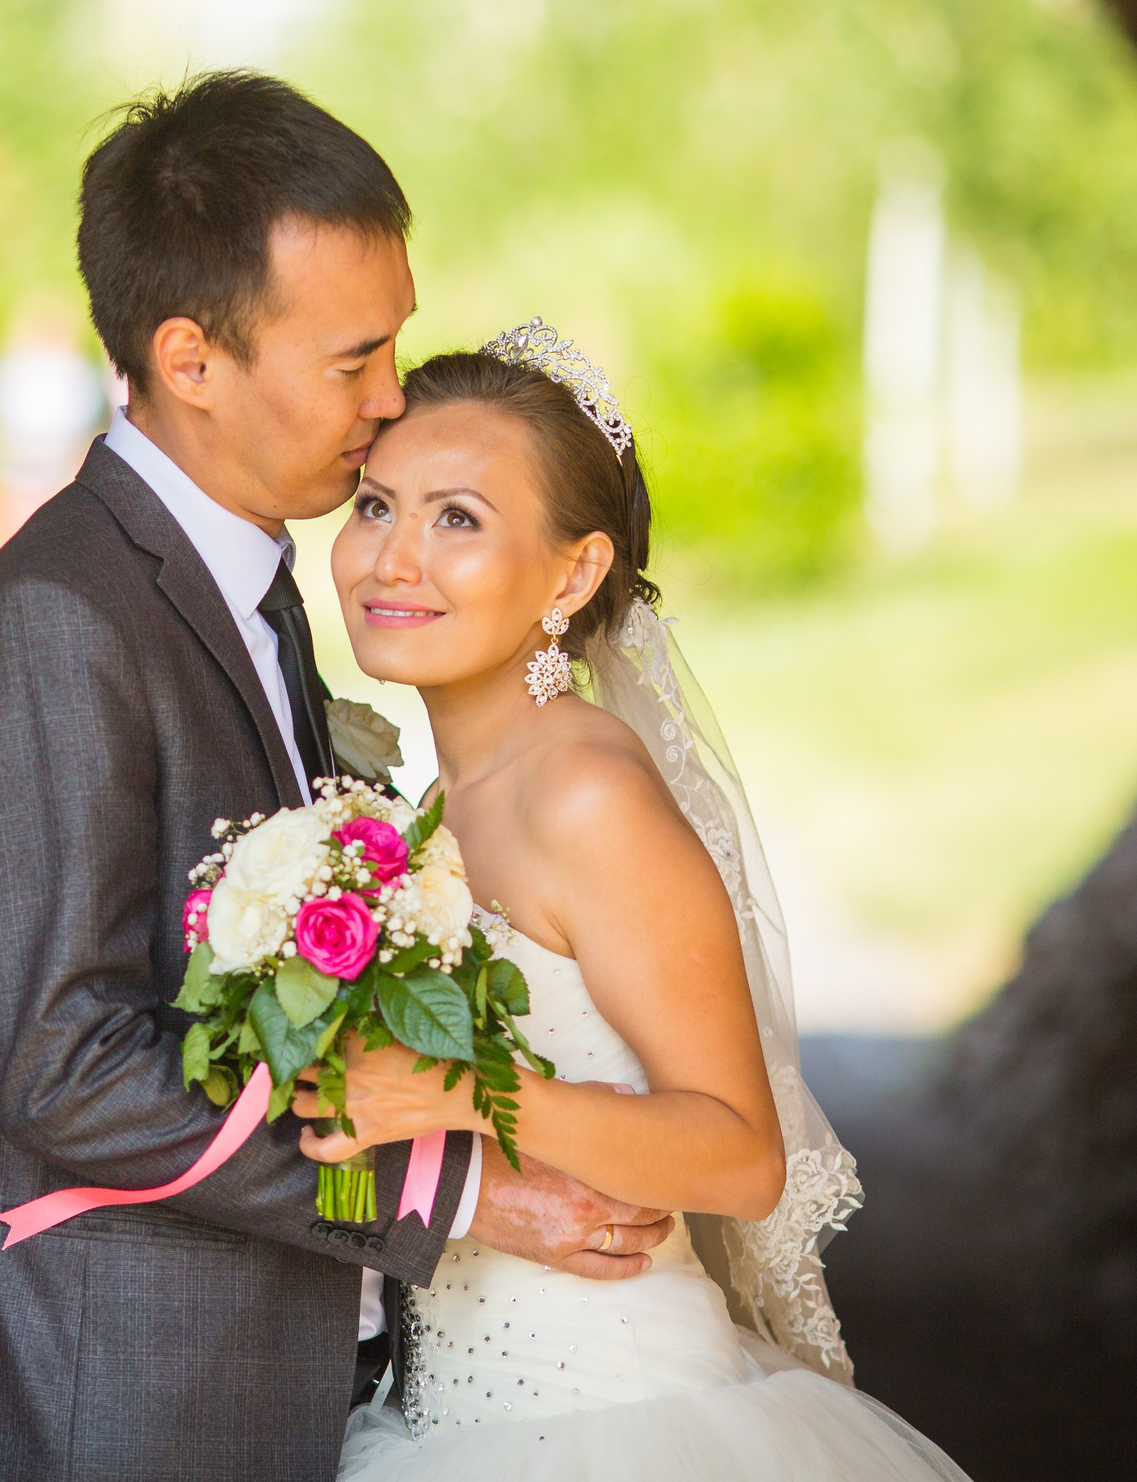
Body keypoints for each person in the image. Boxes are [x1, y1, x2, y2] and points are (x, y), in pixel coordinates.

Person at [0, 76, 666, 1482]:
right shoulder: (64, 625)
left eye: (399, 342)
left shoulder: (255, 581)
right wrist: (452, 1183)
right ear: (191, 358)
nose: (394, 394)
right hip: (104, 1409)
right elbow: (67, 1072)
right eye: (354, 357)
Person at [312, 329, 972, 1480]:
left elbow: (737, 1155)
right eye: (375, 505)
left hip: (611, 1421)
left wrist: (464, 1089)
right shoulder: (430, 806)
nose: (390, 560)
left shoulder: (584, 794)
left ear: (570, 575)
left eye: (457, 519)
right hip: (449, 1418)